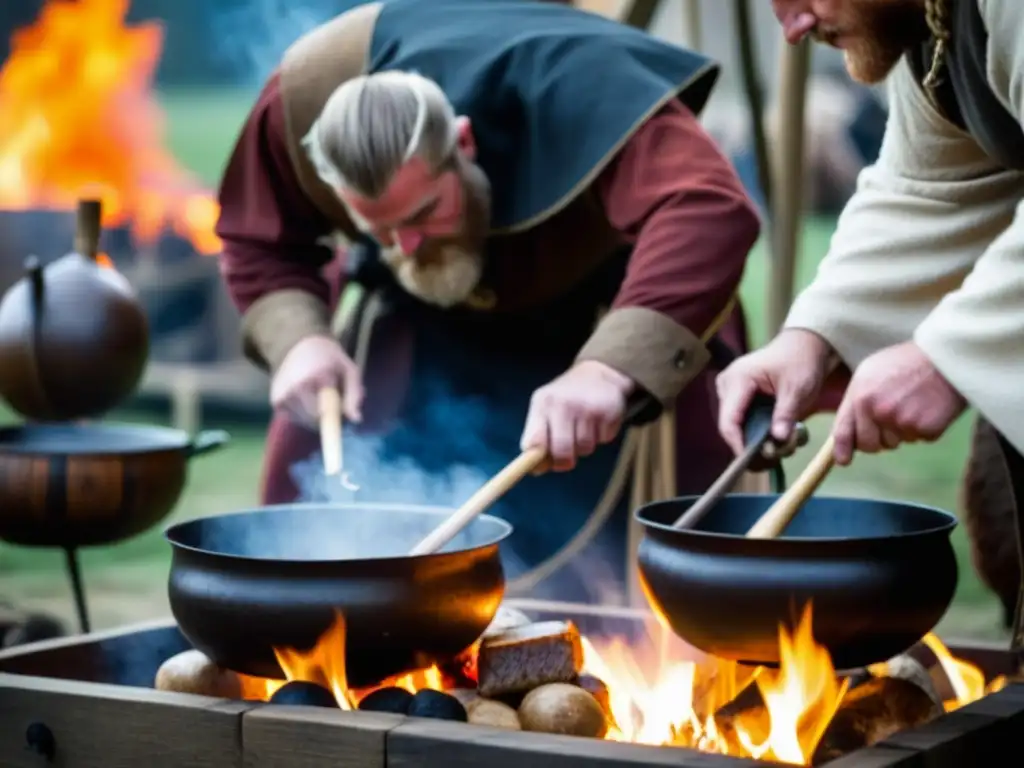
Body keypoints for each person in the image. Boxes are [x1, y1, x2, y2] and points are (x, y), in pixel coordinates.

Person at [215, 0, 764, 602]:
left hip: (608, 319)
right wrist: (301, 342)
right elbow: (256, 236)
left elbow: (707, 208)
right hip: (417, 330)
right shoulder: (306, 96)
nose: (407, 246)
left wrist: (610, 369)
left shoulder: (580, 88)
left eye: (425, 212)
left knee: (665, 596)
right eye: (381, 230)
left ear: (464, 142)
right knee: (324, 572)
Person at [718, 0, 1024, 631]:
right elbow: (928, 186)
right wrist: (818, 334)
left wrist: (944, 358)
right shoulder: (933, 20)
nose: (794, 26)